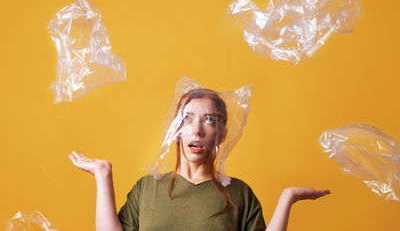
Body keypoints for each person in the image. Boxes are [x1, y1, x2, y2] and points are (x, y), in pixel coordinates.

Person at [69, 88, 330, 231]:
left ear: (223, 134)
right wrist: (103, 176)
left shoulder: (240, 194)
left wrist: (287, 198)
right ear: (175, 131)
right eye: (187, 118)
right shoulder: (146, 189)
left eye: (209, 120)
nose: (197, 130)